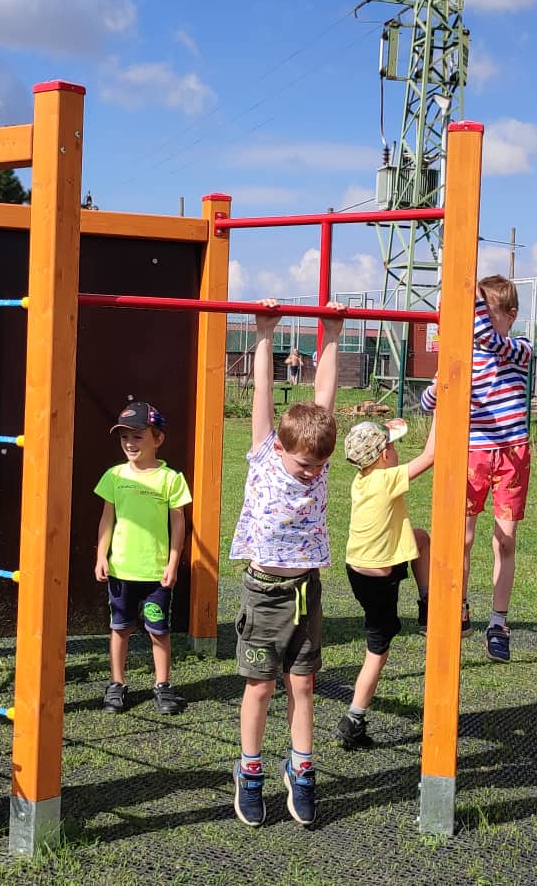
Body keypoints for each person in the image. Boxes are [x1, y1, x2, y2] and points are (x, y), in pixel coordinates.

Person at [229, 298, 346, 828]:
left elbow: (325, 399)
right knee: (260, 686)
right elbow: (261, 393)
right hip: (264, 592)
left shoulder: (317, 464)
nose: (312, 473)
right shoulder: (263, 455)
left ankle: (300, 769)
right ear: (280, 448)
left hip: (304, 590)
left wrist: (333, 334)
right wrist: (263, 334)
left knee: (303, 684)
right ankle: (250, 770)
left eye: (320, 465)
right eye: (304, 464)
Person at [419, 274, 533, 663]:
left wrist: (463, 293)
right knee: (461, 538)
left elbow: (489, 337)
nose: (474, 322)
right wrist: (440, 385)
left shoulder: (519, 348)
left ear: (510, 315)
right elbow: (428, 402)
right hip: (471, 454)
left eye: (484, 312)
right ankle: (458, 604)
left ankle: (498, 622)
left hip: (511, 454)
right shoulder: (463, 355)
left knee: (504, 540)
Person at [335, 417, 434, 750]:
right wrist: (439, 407)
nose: (396, 451)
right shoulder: (385, 479)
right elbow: (431, 455)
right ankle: (353, 719)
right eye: (391, 446)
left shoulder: (361, 479)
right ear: (382, 456)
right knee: (377, 650)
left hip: (358, 569)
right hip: (379, 579)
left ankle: (427, 602)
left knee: (421, 539)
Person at [93, 400, 193, 715]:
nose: (130, 443)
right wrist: (101, 556)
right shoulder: (114, 476)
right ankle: (116, 684)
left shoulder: (171, 478)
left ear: (158, 439)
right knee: (119, 628)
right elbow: (107, 519)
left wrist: (173, 564)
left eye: (138, 436)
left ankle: (163, 686)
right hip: (121, 572)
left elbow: (179, 523)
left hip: (156, 574)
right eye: (124, 437)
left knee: (158, 631)